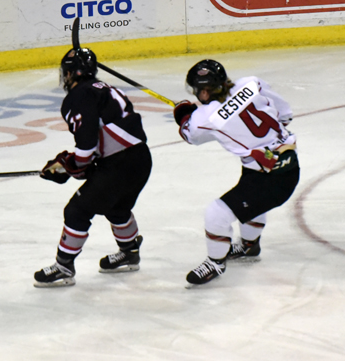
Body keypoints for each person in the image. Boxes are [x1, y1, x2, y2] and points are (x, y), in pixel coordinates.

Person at [33, 47, 152, 288]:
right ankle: (129, 253)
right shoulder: (105, 88)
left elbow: (87, 142)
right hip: (140, 159)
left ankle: (64, 267)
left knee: (77, 211)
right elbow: (107, 135)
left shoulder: (79, 95)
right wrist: (74, 164)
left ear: (70, 74)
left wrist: (74, 164)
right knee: (118, 207)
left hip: (119, 165)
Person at [173, 59, 299, 285]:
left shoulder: (207, 117)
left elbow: (190, 135)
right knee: (250, 198)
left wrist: (183, 114)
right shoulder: (251, 84)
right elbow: (285, 114)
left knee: (216, 214)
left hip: (271, 179)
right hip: (285, 165)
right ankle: (249, 246)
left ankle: (215, 263)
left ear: (204, 90)